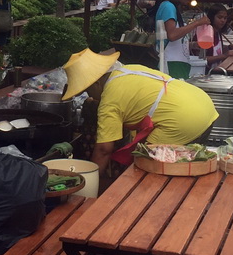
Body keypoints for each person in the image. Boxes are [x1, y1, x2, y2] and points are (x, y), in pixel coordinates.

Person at [60, 49, 218, 174]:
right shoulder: (128, 69)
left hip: (183, 121)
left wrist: (89, 185)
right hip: (204, 106)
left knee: (146, 167)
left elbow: (103, 150)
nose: (90, 95)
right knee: (184, 169)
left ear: (96, 83)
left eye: (87, 90)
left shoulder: (109, 101)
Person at [154, 0, 210, 78]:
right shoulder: (168, 6)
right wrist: (197, 23)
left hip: (178, 64)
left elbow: (175, 38)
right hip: (170, 64)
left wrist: (192, 45)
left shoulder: (172, 7)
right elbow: (172, 35)